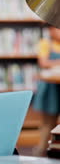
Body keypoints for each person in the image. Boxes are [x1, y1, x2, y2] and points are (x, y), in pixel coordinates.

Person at [33, 25, 60, 156]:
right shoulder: (45, 43)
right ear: (50, 30)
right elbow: (43, 63)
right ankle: (41, 151)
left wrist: (53, 62)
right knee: (47, 123)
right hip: (50, 89)